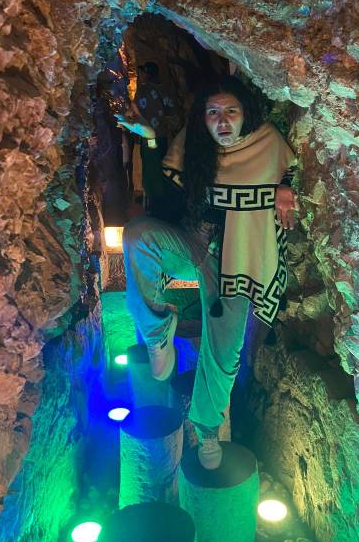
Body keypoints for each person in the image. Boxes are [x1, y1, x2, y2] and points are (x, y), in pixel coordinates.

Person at [119, 76, 297, 469]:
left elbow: (293, 168)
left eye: (231, 111)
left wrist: (285, 184)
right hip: (194, 244)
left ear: (245, 113)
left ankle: (208, 429)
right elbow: (162, 194)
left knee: (224, 350)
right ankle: (158, 334)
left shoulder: (267, 142)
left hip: (239, 262)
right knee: (137, 236)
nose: (222, 120)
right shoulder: (195, 144)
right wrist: (151, 140)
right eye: (213, 112)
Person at [128, 62, 176, 209]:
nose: (140, 75)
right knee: (161, 165)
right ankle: (164, 197)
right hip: (162, 134)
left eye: (142, 72)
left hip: (147, 135)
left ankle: (149, 200)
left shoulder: (143, 90)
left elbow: (135, 111)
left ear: (146, 73)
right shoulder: (164, 89)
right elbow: (171, 111)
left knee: (149, 165)